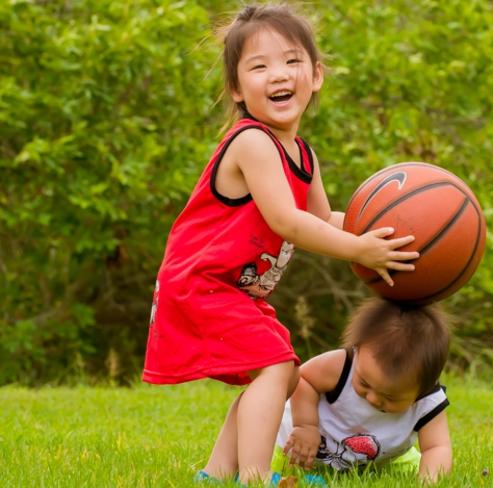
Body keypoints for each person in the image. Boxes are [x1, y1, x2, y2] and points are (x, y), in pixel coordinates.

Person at [141, 3, 419, 486]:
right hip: (201, 282)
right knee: (275, 365)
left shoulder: (303, 154)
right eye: (259, 66)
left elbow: (321, 218)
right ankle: (254, 478)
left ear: (316, 75)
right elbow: (286, 222)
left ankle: (216, 473)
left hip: (231, 289)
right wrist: (358, 251)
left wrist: (377, 228)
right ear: (236, 89)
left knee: (283, 375)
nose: (278, 75)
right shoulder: (251, 142)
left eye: (291, 61)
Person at [275, 298, 452, 484]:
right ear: (357, 350)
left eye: (389, 397)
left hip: (380, 460)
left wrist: (428, 482)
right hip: (304, 447)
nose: (373, 398)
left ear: (423, 390)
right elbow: (303, 379)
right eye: (364, 383)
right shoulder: (341, 366)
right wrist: (305, 426)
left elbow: (436, 447)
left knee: (417, 467)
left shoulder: (428, 402)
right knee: (281, 470)